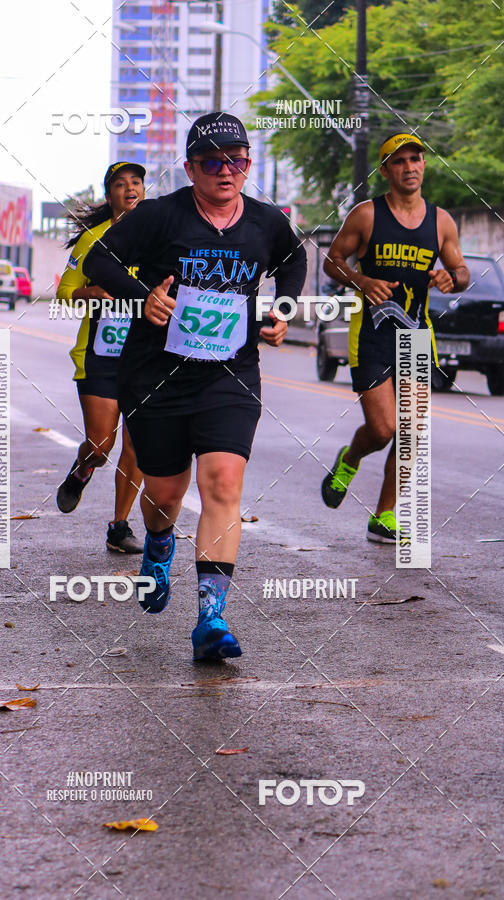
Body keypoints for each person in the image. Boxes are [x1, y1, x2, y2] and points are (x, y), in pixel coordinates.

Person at [83, 112, 307, 660]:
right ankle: (158, 545)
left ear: (248, 164)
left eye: (236, 160)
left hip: (229, 374)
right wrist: (143, 296)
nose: (225, 171)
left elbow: (294, 258)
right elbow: (99, 259)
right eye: (212, 162)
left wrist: (282, 308)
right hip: (157, 376)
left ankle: (211, 618)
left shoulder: (264, 221)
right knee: (163, 495)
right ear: (190, 168)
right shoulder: (161, 216)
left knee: (224, 483)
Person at [321, 132, 469, 542]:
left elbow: (461, 273)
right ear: (385, 170)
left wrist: (449, 277)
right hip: (371, 333)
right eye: (399, 161)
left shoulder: (441, 221)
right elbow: (334, 261)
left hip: (417, 334)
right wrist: (363, 279)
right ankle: (350, 458)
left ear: (424, 165)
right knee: (383, 428)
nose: (409, 167)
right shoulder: (367, 215)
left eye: (416, 159)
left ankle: (384, 515)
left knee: (412, 432)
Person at [56, 162, 146, 553]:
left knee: (138, 444)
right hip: (100, 355)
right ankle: (82, 470)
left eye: (136, 182)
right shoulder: (92, 238)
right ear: (108, 195)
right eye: (120, 184)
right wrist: (88, 294)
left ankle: (119, 526)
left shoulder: (160, 235)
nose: (130, 189)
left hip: (146, 357)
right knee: (100, 444)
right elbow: (64, 292)